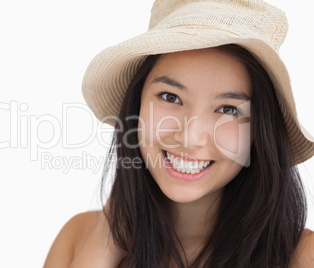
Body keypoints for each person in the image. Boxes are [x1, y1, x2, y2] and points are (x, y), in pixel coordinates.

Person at [44, 0, 314, 267]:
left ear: (259, 130)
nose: (189, 137)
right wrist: (106, 241)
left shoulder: (301, 255)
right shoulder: (78, 236)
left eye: (229, 109)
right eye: (170, 96)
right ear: (137, 104)